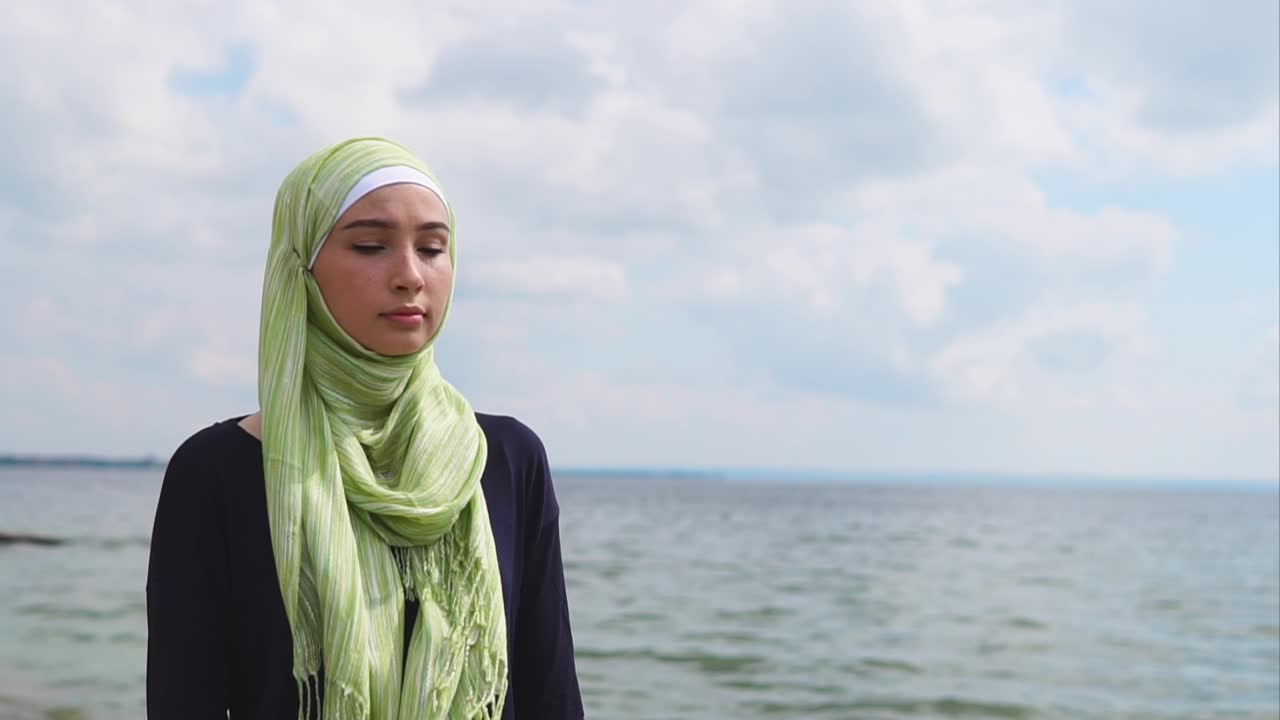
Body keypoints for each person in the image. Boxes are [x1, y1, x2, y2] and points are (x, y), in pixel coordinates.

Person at [145, 137, 584, 719]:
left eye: (432, 248)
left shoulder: (503, 459)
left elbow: (550, 697)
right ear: (298, 266)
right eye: (372, 246)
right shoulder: (216, 472)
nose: (410, 276)